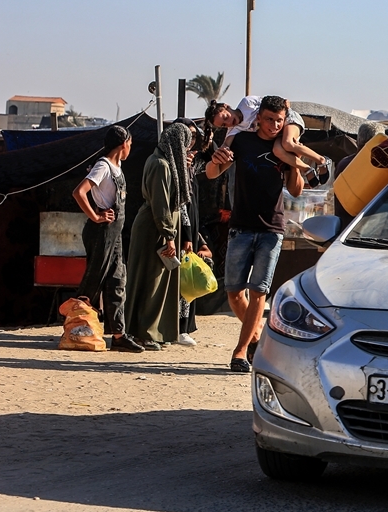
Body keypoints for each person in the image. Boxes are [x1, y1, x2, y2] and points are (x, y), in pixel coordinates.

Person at [206, 95, 304, 372]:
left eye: (279, 120)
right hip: (241, 227)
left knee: (258, 291)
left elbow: (296, 191)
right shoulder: (240, 141)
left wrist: (295, 162)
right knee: (234, 294)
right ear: (258, 118)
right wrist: (215, 160)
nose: (274, 125)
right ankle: (258, 335)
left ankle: (240, 351)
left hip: (272, 228)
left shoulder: (283, 147)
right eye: (269, 119)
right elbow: (212, 173)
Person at [72, 126, 144, 353]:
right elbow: (79, 192)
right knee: (93, 281)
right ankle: (75, 330)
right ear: (123, 144)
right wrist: (95, 216)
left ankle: (119, 335)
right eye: (130, 144)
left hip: (115, 233)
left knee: (117, 281)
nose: (130, 148)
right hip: (101, 232)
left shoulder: (117, 167)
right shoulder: (103, 166)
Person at [124, 123, 193, 350]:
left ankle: (152, 331)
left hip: (162, 228)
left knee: (158, 281)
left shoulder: (163, 161)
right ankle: (144, 333)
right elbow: (161, 205)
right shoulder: (161, 165)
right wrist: (169, 236)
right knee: (151, 280)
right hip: (155, 229)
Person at [205, 96, 331, 187]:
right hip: (277, 132)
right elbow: (226, 144)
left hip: (287, 119)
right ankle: (306, 169)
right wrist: (219, 155)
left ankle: (321, 160)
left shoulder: (246, 103)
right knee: (278, 150)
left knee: (287, 143)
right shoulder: (235, 129)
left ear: (227, 106)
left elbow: (271, 103)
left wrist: (284, 103)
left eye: (226, 117)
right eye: (223, 125)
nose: (228, 122)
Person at [173, 118, 215, 347]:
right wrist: (188, 236)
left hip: (190, 231)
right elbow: (179, 206)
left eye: (193, 137)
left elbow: (211, 159)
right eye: (187, 136)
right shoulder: (171, 165)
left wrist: (208, 136)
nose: (190, 142)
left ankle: (183, 327)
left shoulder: (190, 166)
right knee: (180, 281)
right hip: (177, 231)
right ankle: (177, 329)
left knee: (187, 280)